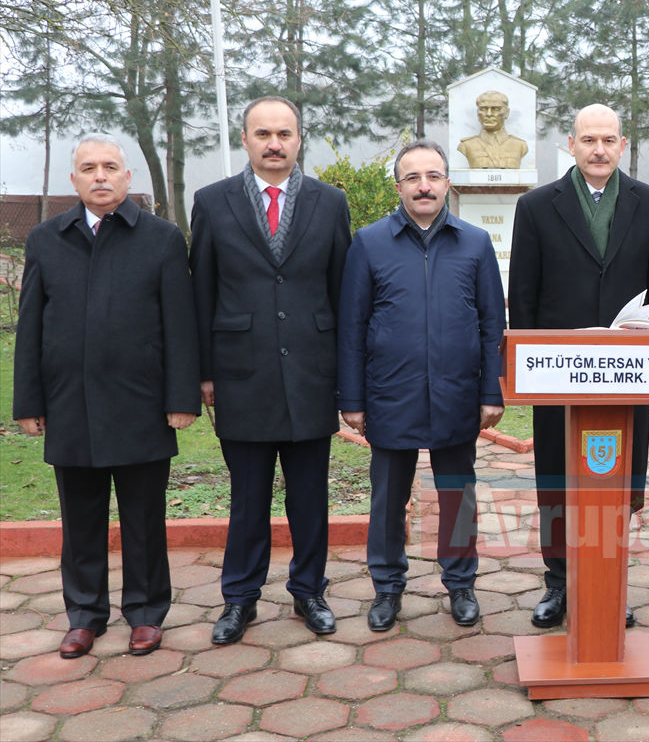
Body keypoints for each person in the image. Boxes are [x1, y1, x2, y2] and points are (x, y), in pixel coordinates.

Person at [13, 133, 200, 658]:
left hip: (141, 405)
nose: (100, 176)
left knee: (144, 518)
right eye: (89, 168)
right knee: (81, 518)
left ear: (127, 178)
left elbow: (179, 327)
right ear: (73, 180)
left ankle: (145, 612)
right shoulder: (48, 239)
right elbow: (30, 327)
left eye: (110, 167)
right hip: (70, 403)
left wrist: (181, 397)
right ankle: (85, 614)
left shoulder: (161, 239)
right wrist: (29, 401)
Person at [190, 96, 351, 644]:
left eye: (284, 133)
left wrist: (343, 375)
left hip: (311, 371)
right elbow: (202, 292)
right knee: (248, 498)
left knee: (309, 495)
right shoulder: (211, 203)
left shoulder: (331, 203)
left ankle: (309, 591)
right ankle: (239, 599)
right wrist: (205, 373)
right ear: (246, 139)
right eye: (263, 134)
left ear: (299, 138)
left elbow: (341, 295)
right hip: (242, 374)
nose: (274, 143)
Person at [508, 103, 649, 628]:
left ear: (622, 145)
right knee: (558, 479)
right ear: (572, 145)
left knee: (616, 479)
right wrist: (525, 367)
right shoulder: (536, 207)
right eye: (588, 140)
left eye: (608, 140)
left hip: (626, 374)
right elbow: (524, 297)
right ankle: (558, 583)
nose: (599, 150)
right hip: (559, 373)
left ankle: (607, 580)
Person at [338, 140, 505, 630]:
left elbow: (492, 323)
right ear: (399, 187)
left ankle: (461, 585)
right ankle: (387, 589)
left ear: (448, 183)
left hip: (456, 394)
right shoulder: (369, 243)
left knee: (458, 494)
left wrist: (491, 392)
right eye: (413, 178)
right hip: (391, 394)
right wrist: (352, 398)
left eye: (433, 176)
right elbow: (352, 325)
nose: (424, 186)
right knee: (388, 498)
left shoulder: (474, 243)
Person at [457, 90, 529, 169]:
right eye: (483, 109)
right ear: (478, 113)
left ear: (507, 113)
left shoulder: (520, 145)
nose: (489, 114)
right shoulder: (466, 145)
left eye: (496, 109)